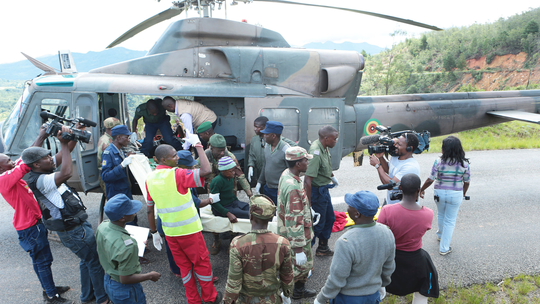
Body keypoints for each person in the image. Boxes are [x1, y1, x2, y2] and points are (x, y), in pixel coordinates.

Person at [23, 127, 110, 304]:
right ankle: (102, 299)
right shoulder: (38, 180)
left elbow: (66, 152)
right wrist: (62, 142)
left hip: (77, 225)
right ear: (36, 165)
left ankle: (87, 296)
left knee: (87, 261)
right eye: (46, 157)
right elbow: (67, 172)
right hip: (72, 230)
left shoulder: (43, 169)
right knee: (95, 262)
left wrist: (74, 136)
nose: (51, 159)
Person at [146, 137, 222, 304]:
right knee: (202, 265)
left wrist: (154, 232)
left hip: (170, 233)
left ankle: (193, 300)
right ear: (164, 159)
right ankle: (210, 297)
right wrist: (199, 146)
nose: (177, 158)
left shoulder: (149, 179)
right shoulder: (178, 174)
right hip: (189, 232)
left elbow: (150, 209)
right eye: (174, 156)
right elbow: (206, 170)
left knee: (184, 268)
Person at [0, 127, 71, 304]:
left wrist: (41, 137)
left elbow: (24, 159)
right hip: (30, 227)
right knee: (43, 261)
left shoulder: (8, 172)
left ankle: (49, 289)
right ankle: (51, 296)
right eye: (8, 160)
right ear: (1, 168)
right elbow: (26, 163)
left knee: (41, 260)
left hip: (32, 224)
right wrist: (41, 146)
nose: (12, 161)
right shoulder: (4, 179)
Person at [314, 191, 396, 304]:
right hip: (372, 296)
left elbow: (336, 280)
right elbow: (389, 267)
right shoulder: (386, 232)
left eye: (349, 206)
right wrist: (382, 284)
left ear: (357, 214)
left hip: (348, 298)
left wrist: (320, 299)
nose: (347, 208)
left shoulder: (346, 241)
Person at [377, 174, 439, 303]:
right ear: (419, 190)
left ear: (400, 188)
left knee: (377, 276)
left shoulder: (387, 210)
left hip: (391, 257)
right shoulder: (428, 213)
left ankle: (379, 296)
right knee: (425, 281)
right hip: (416, 259)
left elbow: (379, 233)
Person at [158, 150, 220, 280]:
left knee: (175, 252)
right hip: (183, 225)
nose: (192, 168)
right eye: (189, 167)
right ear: (179, 166)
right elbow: (196, 201)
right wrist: (210, 200)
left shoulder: (164, 176)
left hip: (169, 224)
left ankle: (180, 271)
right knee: (196, 255)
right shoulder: (180, 177)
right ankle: (194, 278)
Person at [223, 195, 294, 304]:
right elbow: (287, 275)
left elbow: (234, 282)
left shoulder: (238, 244)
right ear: (270, 218)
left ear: (250, 216)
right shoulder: (283, 243)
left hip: (246, 300)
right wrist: (287, 293)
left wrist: (227, 301)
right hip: (272, 299)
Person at [96, 194, 161, 304]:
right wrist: (150, 276)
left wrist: (135, 247)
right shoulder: (128, 247)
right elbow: (125, 279)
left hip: (109, 279)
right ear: (122, 218)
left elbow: (114, 247)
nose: (135, 212)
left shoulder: (103, 225)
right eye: (131, 210)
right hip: (125, 290)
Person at [277, 146, 317, 300]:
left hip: (291, 230)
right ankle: (287, 295)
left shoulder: (287, 174)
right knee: (298, 268)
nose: (308, 163)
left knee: (298, 268)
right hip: (296, 236)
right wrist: (299, 248)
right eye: (305, 160)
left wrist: (307, 208)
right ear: (297, 164)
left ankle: (298, 291)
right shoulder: (292, 186)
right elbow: (294, 220)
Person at [419, 136, 471, 255]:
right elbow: (467, 182)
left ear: (444, 149)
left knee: (441, 214)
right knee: (450, 221)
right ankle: (444, 248)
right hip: (455, 193)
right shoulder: (464, 164)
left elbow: (430, 180)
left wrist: (421, 190)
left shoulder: (438, 162)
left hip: (439, 193)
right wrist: (463, 193)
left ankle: (440, 235)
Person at [304, 125, 339, 256]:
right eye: (334, 139)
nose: (336, 141)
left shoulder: (324, 147)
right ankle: (304, 255)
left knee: (330, 218)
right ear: (326, 138)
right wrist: (309, 204)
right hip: (316, 192)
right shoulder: (316, 152)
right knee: (316, 224)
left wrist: (333, 177)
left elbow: (326, 167)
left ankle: (322, 248)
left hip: (323, 191)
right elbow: (307, 180)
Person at [209, 156, 251, 255]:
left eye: (234, 171)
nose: (233, 173)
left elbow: (230, 195)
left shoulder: (230, 178)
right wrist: (228, 213)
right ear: (223, 171)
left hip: (232, 203)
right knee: (248, 214)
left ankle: (232, 240)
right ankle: (217, 241)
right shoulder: (216, 181)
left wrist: (238, 203)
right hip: (221, 208)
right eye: (231, 171)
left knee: (253, 208)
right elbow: (214, 203)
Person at [369, 132, 420, 205]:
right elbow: (389, 170)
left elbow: (390, 185)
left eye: (399, 144)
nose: (395, 145)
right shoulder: (396, 157)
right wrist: (380, 157)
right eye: (397, 143)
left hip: (403, 207)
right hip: (391, 203)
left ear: (409, 148)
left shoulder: (410, 166)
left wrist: (378, 165)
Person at [247, 116, 296, 185]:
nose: (255, 129)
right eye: (254, 127)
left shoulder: (281, 143)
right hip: (262, 174)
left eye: (258, 127)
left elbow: (295, 149)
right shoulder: (254, 140)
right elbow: (252, 154)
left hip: (277, 181)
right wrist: (251, 166)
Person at [256, 121, 291, 204]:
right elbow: (266, 164)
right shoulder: (267, 146)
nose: (264, 136)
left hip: (280, 190)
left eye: (266, 134)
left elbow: (291, 172)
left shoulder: (285, 150)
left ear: (273, 136)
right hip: (267, 188)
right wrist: (260, 182)